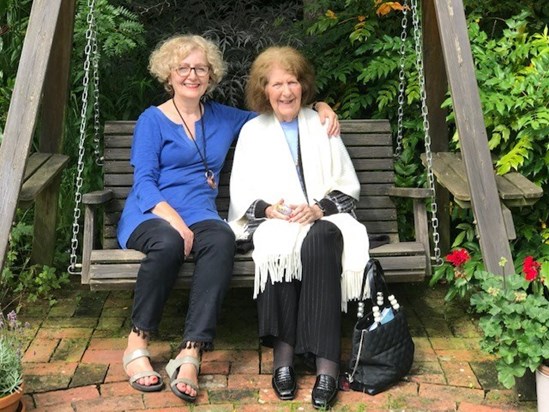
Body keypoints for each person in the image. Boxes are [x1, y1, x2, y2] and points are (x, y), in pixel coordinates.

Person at [117, 35, 340, 402]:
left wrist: (319, 106)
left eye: (200, 68)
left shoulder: (222, 117)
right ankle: (137, 342)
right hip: (151, 212)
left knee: (221, 238)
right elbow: (143, 182)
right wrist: (174, 220)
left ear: (210, 75)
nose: (192, 75)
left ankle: (191, 351)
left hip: (201, 213)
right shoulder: (152, 120)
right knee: (170, 242)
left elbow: (279, 106)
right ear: (168, 74)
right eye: (183, 68)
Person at [227, 46, 370, 409]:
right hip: (279, 221)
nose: (286, 91)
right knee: (276, 245)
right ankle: (284, 362)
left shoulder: (322, 124)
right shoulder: (252, 132)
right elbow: (243, 193)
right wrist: (269, 209)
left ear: (303, 87)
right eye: (277, 84)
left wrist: (320, 209)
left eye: (292, 82)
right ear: (264, 90)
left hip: (323, 221)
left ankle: (327, 367)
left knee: (320, 240)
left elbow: (347, 186)